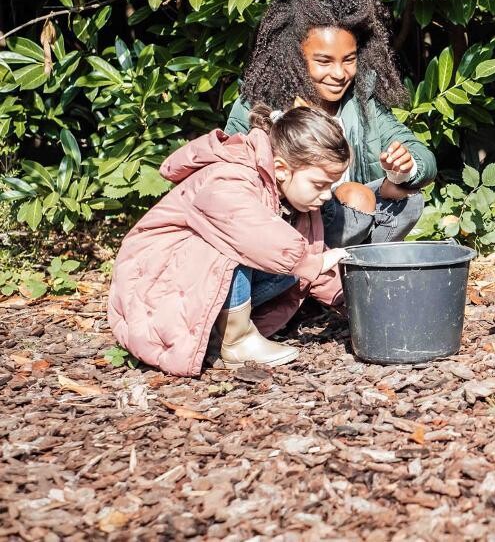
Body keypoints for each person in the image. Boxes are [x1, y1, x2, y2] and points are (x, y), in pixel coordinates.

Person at [108, 105, 351, 376]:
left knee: (291, 269)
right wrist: (309, 261)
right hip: (156, 286)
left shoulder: (296, 201)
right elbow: (248, 229)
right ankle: (237, 341)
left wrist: (351, 301)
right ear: (282, 169)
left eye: (331, 185)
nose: (327, 195)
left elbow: (312, 255)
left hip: (191, 288)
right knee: (242, 243)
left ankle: (217, 333)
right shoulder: (233, 173)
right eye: (319, 184)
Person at [224, 0, 436, 248]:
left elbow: (424, 159)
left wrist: (405, 169)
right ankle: (320, 276)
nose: (339, 74)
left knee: (407, 196)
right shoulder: (258, 106)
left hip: (349, 219)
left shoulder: (362, 102)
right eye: (324, 61)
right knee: (355, 197)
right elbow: (231, 187)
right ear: (295, 56)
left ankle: (352, 273)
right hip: (282, 230)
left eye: (349, 60)